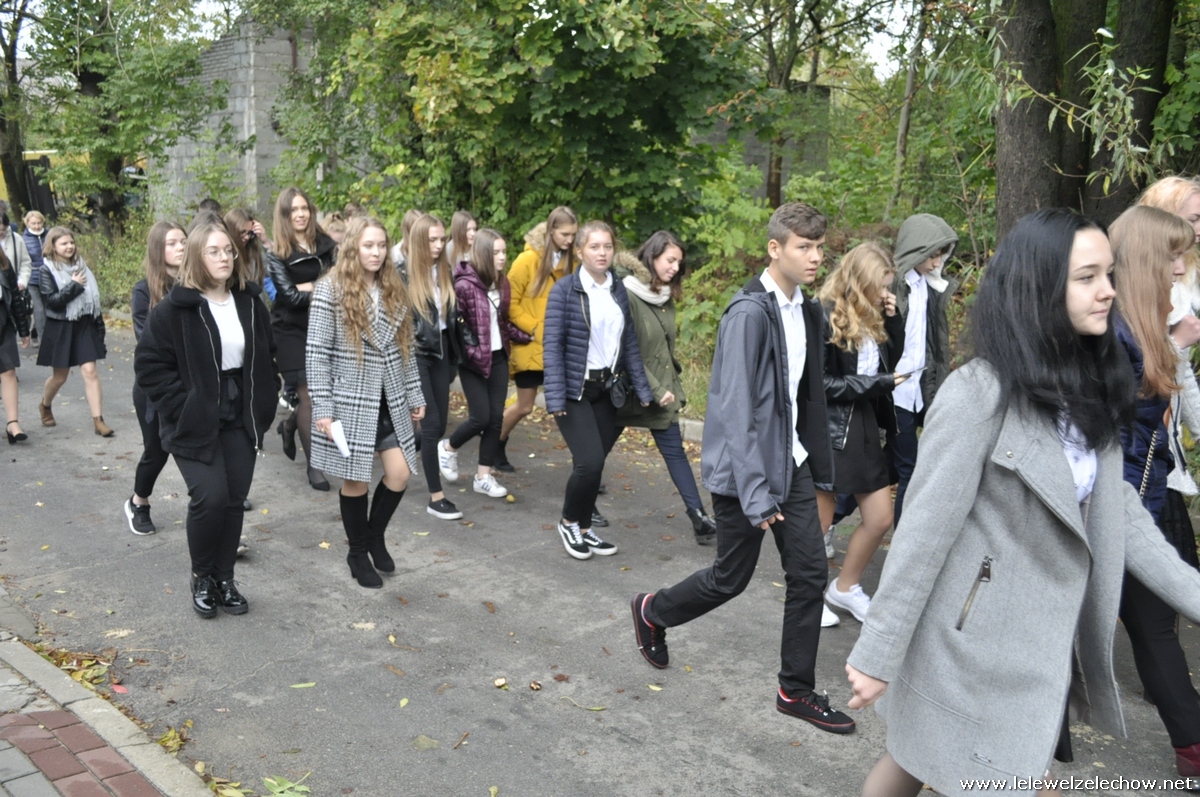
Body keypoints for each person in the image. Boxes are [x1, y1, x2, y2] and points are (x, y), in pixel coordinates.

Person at [843, 208, 1200, 797]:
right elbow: (923, 533)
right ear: (1039, 286)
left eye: (1109, 274)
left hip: (1039, 653)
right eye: (1087, 277)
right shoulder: (979, 393)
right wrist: (878, 650)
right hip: (967, 647)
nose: (1109, 290)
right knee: (930, 762)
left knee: (917, 762)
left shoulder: (1093, 386)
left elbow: (1121, 515)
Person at [631, 202, 849, 732]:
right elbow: (733, 409)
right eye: (803, 247)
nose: (815, 257)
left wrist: (816, 464)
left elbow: (804, 397)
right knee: (731, 577)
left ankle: (795, 690)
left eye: (820, 248)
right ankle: (653, 611)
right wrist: (755, 491)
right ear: (775, 249)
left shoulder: (806, 310)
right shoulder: (749, 313)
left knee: (809, 574)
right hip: (746, 472)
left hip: (790, 463)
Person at [134, 220, 277, 618]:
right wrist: (183, 407)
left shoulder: (249, 302)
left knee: (233, 501)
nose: (224, 258)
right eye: (214, 251)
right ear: (197, 256)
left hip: (241, 414)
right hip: (194, 419)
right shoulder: (175, 308)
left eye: (228, 250)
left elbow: (268, 353)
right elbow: (149, 366)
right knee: (209, 497)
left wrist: (269, 394)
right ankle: (202, 577)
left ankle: (224, 579)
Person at [1109, 204, 1200, 778]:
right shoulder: (1111, 337)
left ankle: (1192, 745)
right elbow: (1105, 449)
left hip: (1146, 501)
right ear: (1146, 260)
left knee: (1156, 624)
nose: (1182, 267)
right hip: (1112, 513)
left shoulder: (1146, 328)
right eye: (1174, 256)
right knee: (1150, 625)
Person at [307, 217, 426, 588]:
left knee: (400, 473)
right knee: (356, 479)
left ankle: (374, 536)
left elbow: (406, 349)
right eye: (368, 245)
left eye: (381, 245)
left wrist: (415, 393)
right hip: (350, 399)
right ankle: (357, 553)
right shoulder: (330, 290)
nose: (376, 252)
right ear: (353, 247)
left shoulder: (394, 286)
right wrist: (323, 408)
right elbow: (316, 353)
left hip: (390, 396)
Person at [544, 220, 652, 559]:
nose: (602, 253)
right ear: (579, 252)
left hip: (609, 389)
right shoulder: (564, 290)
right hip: (575, 390)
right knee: (588, 463)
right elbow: (552, 346)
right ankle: (568, 522)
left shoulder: (617, 288)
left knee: (596, 463)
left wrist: (643, 389)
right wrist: (555, 396)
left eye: (607, 246)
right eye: (594, 247)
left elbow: (629, 342)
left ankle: (585, 527)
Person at [817, 242, 907, 623]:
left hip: (866, 422)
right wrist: (876, 384)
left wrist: (894, 320)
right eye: (881, 285)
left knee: (880, 518)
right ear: (861, 280)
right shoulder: (824, 313)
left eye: (888, 286)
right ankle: (808, 600)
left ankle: (844, 587)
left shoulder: (874, 313)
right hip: (831, 427)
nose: (885, 293)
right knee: (818, 526)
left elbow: (889, 363)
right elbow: (821, 384)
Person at [613, 232, 718, 545]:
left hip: (662, 391)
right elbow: (626, 349)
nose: (675, 268)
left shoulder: (663, 296)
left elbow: (662, 347)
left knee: (675, 452)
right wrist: (656, 388)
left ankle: (699, 518)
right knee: (593, 456)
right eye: (670, 260)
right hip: (630, 390)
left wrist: (669, 382)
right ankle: (580, 508)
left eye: (679, 263)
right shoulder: (625, 292)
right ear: (652, 256)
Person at [441, 228, 532, 500]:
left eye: (504, 252)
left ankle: (483, 476)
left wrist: (527, 336)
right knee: (480, 417)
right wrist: (470, 353)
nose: (502, 257)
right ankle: (448, 448)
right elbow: (458, 329)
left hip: (498, 357)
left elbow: (501, 323)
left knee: (495, 419)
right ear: (482, 254)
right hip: (472, 362)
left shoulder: (502, 283)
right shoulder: (463, 286)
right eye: (496, 253)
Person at [498, 208, 579, 479]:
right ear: (551, 231)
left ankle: (585, 466)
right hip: (532, 345)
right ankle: (494, 446)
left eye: (573, 235)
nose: (569, 240)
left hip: (561, 348)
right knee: (524, 406)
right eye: (564, 234)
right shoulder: (527, 260)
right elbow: (509, 301)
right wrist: (535, 328)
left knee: (569, 408)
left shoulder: (573, 262)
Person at [889, 213, 958, 526]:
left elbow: (932, 345)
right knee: (910, 468)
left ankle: (831, 516)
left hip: (918, 389)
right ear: (915, 250)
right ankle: (903, 541)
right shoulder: (893, 286)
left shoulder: (930, 287)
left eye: (942, 255)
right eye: (932, 254)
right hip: (893, 391)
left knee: (887, 465)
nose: (937, 262)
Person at [266, 187, 337, 490]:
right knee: (308, 395)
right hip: (290, 331)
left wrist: (310, 286)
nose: (300, 214)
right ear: (284, 215)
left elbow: (341, 282)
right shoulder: (276, 254)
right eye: (293, 210)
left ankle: (290, 424)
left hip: (323, 326)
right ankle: (315, 467)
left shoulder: (327, 244)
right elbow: (291, 298)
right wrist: (320, 286)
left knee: (324, 393)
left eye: (304, 208)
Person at [124, 221, 187, 535]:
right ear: (157, 249)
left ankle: (219, 513)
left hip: (193, 384)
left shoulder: (198, 284)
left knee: (200, 448)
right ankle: (139, 502)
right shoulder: (144, 290)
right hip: (156, 386)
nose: (181, 247)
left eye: (184, 241)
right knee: (157, 450)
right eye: (172, 243)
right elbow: (147, 341)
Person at [401, 213, 464, 520]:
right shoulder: (403, 275)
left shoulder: (444, 270)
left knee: (438, 427)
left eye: (442, 239)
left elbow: (448, 319)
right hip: (417, 356)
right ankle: (436, 497)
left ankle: (401, 448)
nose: (439, 245)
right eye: (432, 240)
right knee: (431, 426)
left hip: (442, 354)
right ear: (418, 241)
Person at [36, 227, 112, 436]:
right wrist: (74, 285)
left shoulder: (82, 267)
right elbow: (52, 302)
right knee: (60, 377)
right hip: (61, 325)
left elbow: (93, 302)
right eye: (64, 243)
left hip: (84, 324)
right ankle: (45, 404)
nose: (69, 246)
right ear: (53, 246)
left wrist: (100, 331)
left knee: (90, 371)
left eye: (71, 242)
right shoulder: (46, 270)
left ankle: (98, 421)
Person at [0, 239, 29, 443]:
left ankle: (13, 423)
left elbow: (15, 297)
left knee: (9, 371)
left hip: (3, 323)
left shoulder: (3, 263)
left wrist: (23, 329)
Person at [22, 211, 47, 345]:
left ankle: (35, 332)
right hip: (32, 279)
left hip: (48, 278)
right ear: (27, 223)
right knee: (39, 308)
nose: (37, 226)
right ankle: (44, 341)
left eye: (39, 223)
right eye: (33, 223)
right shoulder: (23, 239)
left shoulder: (49, 235)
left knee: (48, 308)